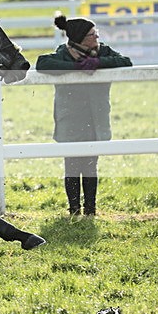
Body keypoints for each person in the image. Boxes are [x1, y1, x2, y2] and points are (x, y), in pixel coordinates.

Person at [36, 15, 132, 216]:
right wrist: (77, 68)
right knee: (71, 165)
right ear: (80, 38)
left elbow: (126, 62)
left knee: (90, 165)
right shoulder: (63, 53)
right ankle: (73, 210)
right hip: (70, 117)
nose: (97, 36)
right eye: (92, 34)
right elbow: (42, 64)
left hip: (95, 117)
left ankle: (90, 209)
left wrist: (97, 63)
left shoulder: (103, 51)